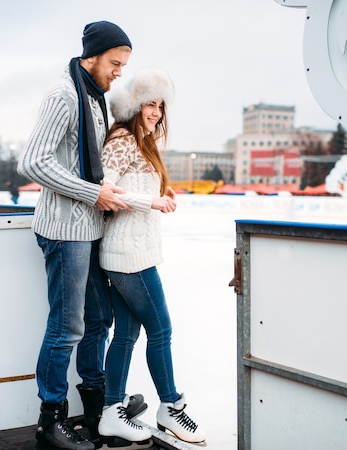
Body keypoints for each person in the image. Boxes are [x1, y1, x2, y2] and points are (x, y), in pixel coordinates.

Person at [17, 21, 145, 450]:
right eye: (115, 63)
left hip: (88, 229)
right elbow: (32, 162)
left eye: (124, 64)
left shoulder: (94, 98)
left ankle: (96, 410)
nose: (119, 72)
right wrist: (94, 193)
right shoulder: (64, 95)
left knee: (98, 320)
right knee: (66, 326)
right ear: (91, 55)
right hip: (65, 230)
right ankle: (49, 421)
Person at [96, 68, 206, 446]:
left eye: (161, 105)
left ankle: (112, 412)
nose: (156, 112)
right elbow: (105, 190)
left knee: (126, 334)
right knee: (161, 330)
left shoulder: (143, 142)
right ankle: (170, 407)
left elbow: (135, 183)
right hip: (129, 255)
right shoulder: (124, 138)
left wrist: (164, 190)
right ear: (135, 105)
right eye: (150, 103)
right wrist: (151, 201)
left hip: (131, 251)